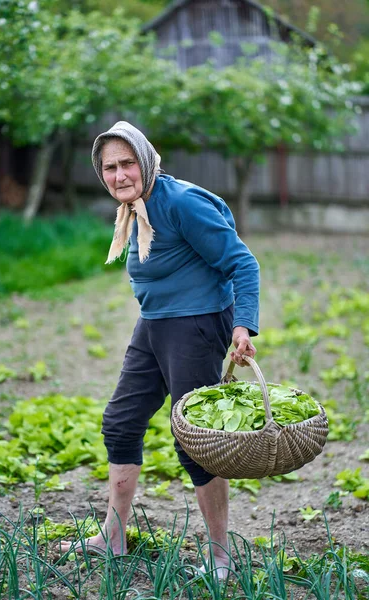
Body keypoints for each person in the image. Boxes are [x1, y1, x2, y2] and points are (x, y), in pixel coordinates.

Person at [59, 121, 260, 577]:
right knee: (121, 422)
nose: (118, 175)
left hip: (194, 326)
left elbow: (242, 262)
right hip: (154, 325)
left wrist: (243, 325)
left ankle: (219, 554)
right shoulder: (135, 209)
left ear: (146, 162)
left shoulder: (181, 203)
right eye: (109, 167)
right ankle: (113, 534)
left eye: (127, 163)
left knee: (195, 442)